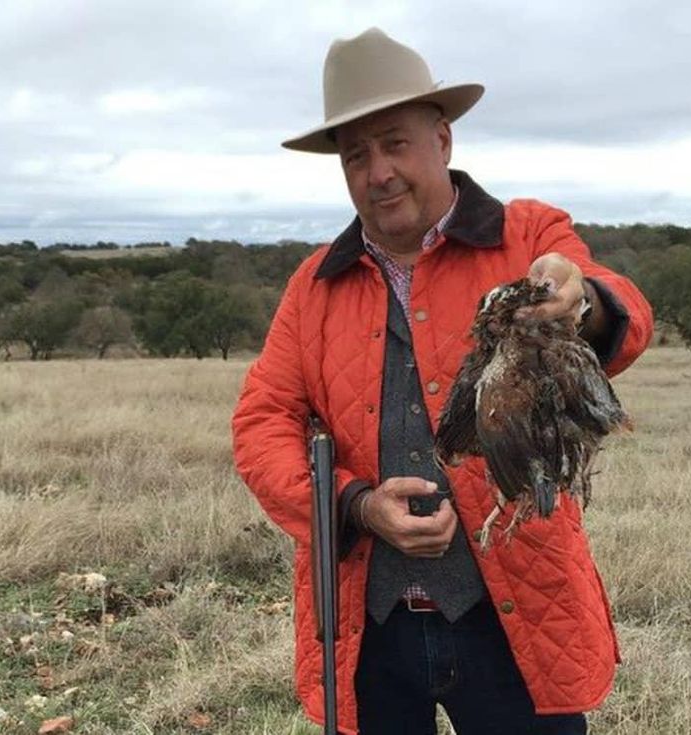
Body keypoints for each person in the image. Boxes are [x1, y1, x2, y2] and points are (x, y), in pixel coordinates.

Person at [232, 27, 652, 735]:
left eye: (395, 143)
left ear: (443, 140)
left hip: (516, 618)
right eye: (356, 154)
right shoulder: (313, 286)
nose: (378, 172)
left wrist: (581, 301)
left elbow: (615, 306)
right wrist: (357, 506)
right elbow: (260, 423)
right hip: (370, 628)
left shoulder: (525, 235)